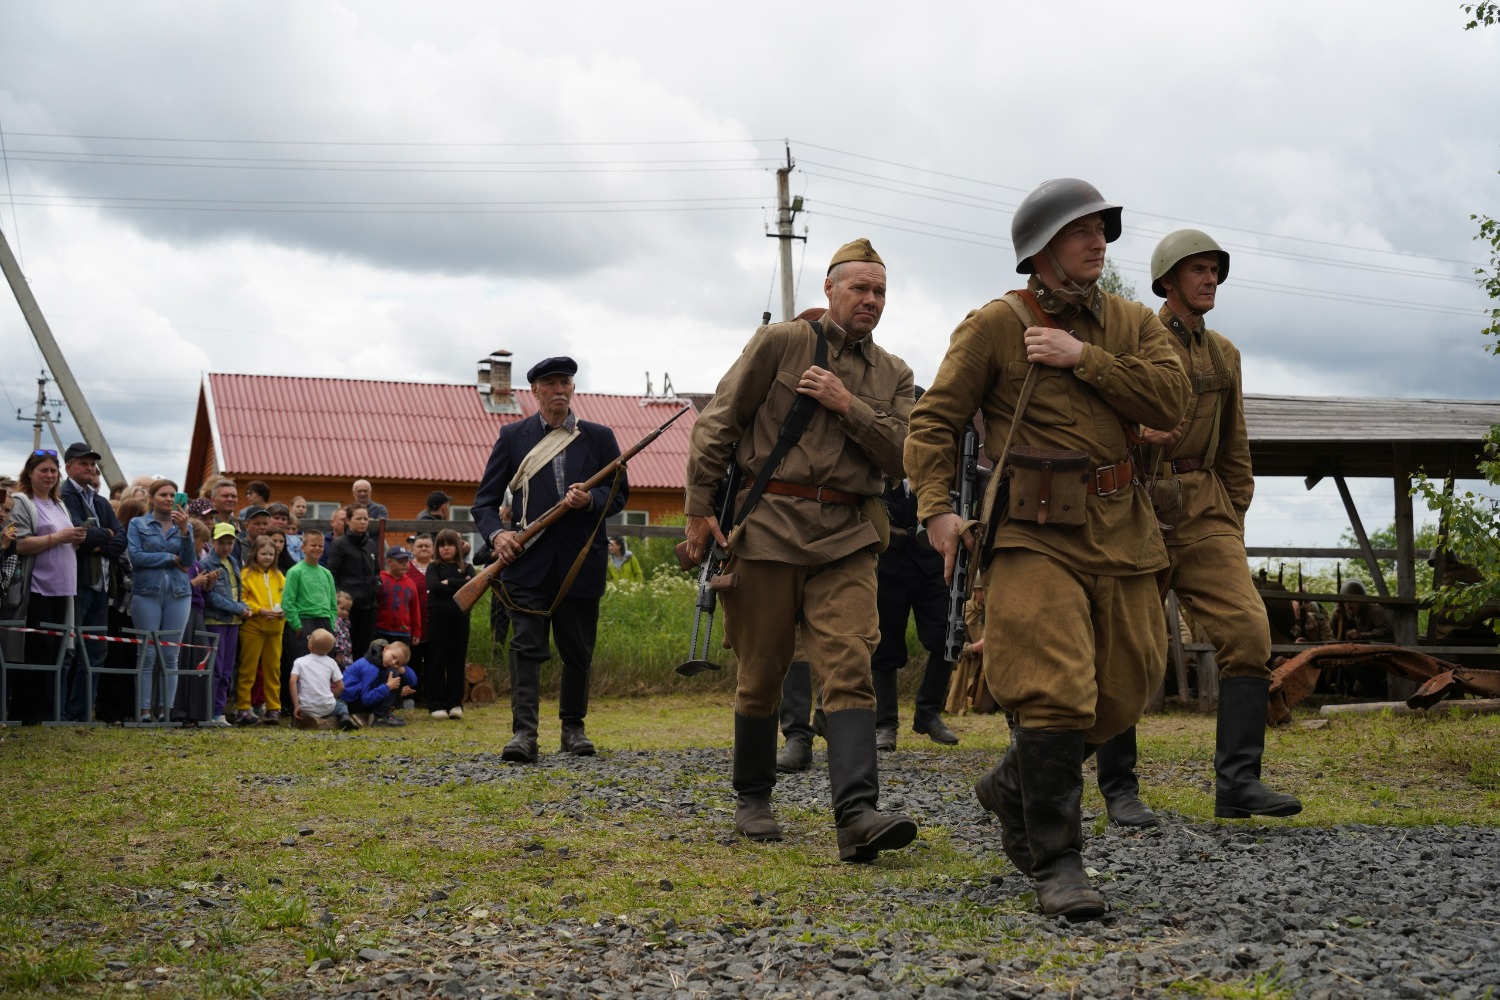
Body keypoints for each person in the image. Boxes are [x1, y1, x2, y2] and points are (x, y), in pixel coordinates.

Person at [906, 179, 1191, 919]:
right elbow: (935, 422)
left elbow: (1172, 403)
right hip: (1033, 531)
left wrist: (1081, 358)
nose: (1098, 242)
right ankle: (1057, 861)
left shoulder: (1131, 323)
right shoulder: (996, 324)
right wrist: (936, 508)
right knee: (1056, 687)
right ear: (1039, 250)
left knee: (1128, 683)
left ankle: (1012, 786)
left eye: (1102, 230)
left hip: (1123, 529)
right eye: (1080, 231)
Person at [683, 237, 918, 864]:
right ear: (830, 290)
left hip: (847, 535)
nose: (870, 299)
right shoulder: (782, 343)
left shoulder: (894, 374)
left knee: (849, 667)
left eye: (880, 290)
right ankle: (754, 797)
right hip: (768, 528)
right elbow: (719, 422)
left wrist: (848, 405)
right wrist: (700, 511)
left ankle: (857, 815)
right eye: (859, 288)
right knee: (761, 671)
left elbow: (904, 456)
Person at [1089, 230, 1304, 830]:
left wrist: (1233, 514)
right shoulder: (1130, 338)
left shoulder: (1224, 355)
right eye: (1198, 270)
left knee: (1249, 630)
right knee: (1129, 649)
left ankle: (1239, 784)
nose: (1210, 280)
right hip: (1136, 500)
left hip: (1204, 503)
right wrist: (1136, 440)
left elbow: (1234, 443)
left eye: (1215, 270)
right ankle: (1120, 792)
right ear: (1167, 281)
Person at [472, 355, 627, 763]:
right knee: (525, 648)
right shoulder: (512, 436)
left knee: (577, 650)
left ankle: (573, 729)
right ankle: (524, 734)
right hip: (527, 563)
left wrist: (589, 499)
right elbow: (485, 503)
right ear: (535, 391)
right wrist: (498, 534)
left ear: (573, 390)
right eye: (551, 384)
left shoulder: (598, 437)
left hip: (581, 561)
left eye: (566, 383)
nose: (560, 390)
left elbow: (619, 495)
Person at [871, 469, 959, 752]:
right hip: (888, 564)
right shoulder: (879, 471)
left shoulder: (937, 472)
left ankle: (928, 713)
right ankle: (885, 724)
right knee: (884, 646)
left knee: (948, 635)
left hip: (931, 563)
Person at [3, 450, 89, 721]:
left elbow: (60, 539)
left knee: (55, 653)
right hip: (37, 588)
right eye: (44, 470)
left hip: (62, 588)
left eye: (53, 471)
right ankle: (27, 712)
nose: (50, 476)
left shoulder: (59, 503)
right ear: (29, 473)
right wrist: (59, 537)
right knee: (34, 651)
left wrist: (73, 538)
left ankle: (46, 711)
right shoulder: (22, 502)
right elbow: (20, 543)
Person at [59, 442, 127, 722]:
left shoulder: (98, 501)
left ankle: (81, 712)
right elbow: (79, 534)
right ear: (69, 467)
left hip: (102, 585)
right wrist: (102, 537)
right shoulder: (64, 496)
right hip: (78, 582)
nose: (91, 468)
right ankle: (62, 712)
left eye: (92, 464)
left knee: (96, 649)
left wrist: (101, 540)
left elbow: (121, 538)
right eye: (84, 463)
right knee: (70, 649)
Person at [124, 479, 196, 723]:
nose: (168, 499)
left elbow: (187, 561)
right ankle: (144, 711)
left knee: (170, 655)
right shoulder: (137, 523)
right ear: (152, 497)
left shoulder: (185, 526)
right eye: (163, 494)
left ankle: (167, 710)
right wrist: (169, 557)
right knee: (147, 653)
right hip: (146, 593)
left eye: (172, 495)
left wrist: (185, 532)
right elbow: (136, 557)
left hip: (179, 594)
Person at [202, 521, 250, 727]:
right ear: (213, 542)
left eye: (230, 542)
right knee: (216, 668)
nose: (226, 546)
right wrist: (238, 608)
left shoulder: (233, 562)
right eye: (222, 542)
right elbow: (211, 597)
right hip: (215, 621)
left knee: (228, 668)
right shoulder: (207, 565)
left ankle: (219, 711)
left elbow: (237, 591)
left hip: (233, 622)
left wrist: (244, 606)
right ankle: (208, 710)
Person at [234, 535, 286, 725]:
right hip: (253, 629)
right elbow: (242, 598)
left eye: (271, 554)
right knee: (248, 670)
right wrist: (259, 610)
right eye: (264, 553)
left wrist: (283, 612)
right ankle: (243, 707)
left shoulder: (279, 576)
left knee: (273, 671)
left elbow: (286, 598)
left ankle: (273, 708)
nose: (267, 557)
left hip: (275, 630)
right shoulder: (246, 574)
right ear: (255, 553)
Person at [424, 528, 475, 720]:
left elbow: (471, 588)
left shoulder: (467, 568)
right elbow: (434, 586)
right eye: (442, 545)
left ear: (458, 547)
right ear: (437, 548)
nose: (446, 549)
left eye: (450, 544)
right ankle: (436, 704)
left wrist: (448, 582)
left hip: (460, 618)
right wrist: (458, 583)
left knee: (456, 661)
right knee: (437, 660)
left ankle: (455, 703)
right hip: (438, 618)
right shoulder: (433, 568)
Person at [282, 528, 338, 680]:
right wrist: (297, 625)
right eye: (313, 545)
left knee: (324, 664)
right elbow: (288, 602)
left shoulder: (326, 573)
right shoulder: (295, 571)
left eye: (320, 546)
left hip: (324, 622)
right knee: (304, 666)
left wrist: (331, 623)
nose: (317, 549)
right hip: (304, 623)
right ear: (303, 547)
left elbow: (333, 603)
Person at [327, 503, 379, 655]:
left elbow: (377, 570)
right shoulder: (339, 544)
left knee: (364, 649)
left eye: (366, 518)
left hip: (369, 606)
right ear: (348, 521)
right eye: (358, 518)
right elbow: (332, 573)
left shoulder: (371, 544)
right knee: (344, 649)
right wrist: (338, 599)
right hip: (348, 608)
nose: (363, 522)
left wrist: (377, 582)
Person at [289, 628, 359, 731]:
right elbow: (341, 686)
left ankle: (300, 719)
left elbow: (292, 681)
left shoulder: (299, 662)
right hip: (327, 706)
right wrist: (331, 697)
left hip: (305, 707)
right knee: (341, 706)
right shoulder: (331, 662)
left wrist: (296, 705)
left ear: (310, 646)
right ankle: (344, 718)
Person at [341, 638, 415, 727]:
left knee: (393, 672)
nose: (393, 662)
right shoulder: (371, 667)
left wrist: (402, 669)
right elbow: (366, 699)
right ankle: (381, 717)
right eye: (393, 657)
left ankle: (383, 714)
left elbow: (413, 681)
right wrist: (388, 687)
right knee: (393, 673)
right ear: (386, 648)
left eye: (398, 663)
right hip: (349, 704)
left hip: (358, 699)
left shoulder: (378, 660)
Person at [374, 546, 425, 648]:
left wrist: (416, 631)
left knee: (399, 661)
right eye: (400, 561)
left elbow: (415, 610)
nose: (404, 564)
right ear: (389, 561)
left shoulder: (411, 584)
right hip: (380, 630)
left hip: (403, 633)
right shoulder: (380, 579)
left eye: (406, 561)